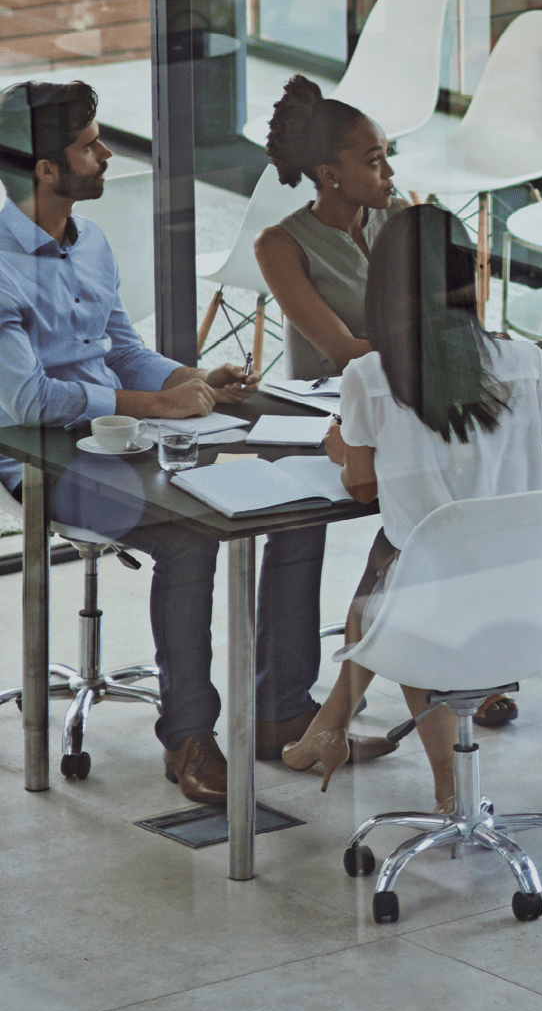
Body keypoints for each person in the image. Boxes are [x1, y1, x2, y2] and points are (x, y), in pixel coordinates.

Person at [0, 79, 311, 805]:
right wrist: (155, 402)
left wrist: (192, 377)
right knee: (188, 537)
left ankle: (283, 707)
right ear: (45, 169)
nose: (105, 155)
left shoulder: (92, 241)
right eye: (88, 146)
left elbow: (122, 348)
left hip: (123, 436)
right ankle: (189, 739)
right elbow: (27, 400)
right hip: (42, 459)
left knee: (287, 496)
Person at [281, 203, 542, 807]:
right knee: (396, 569)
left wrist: (341, 445)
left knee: (399, 582)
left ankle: (447, 786)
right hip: (531, 593)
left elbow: (362, 488)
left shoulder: (370, 377)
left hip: (432, 607)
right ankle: (327, 728)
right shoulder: (529, 363)